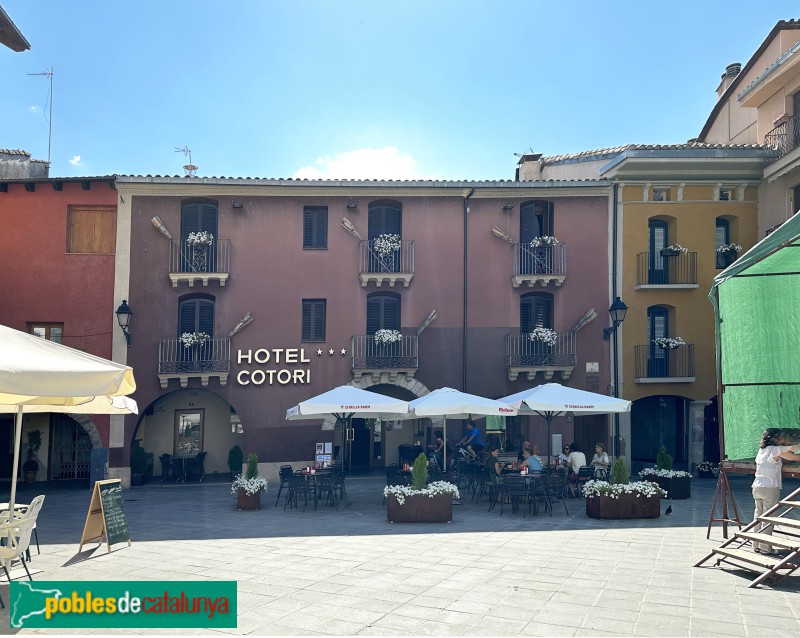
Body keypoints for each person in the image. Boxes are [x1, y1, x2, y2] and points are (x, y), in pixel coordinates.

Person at [751, 428, 800, 554]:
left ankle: (756, 544)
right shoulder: (775, 449)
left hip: (757, 486)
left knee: (758, 517)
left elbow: (790, 452)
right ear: (777, 438)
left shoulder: (762, 450)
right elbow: (794, 456)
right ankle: (766, 547)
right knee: (769, 518)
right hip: (770, 488)